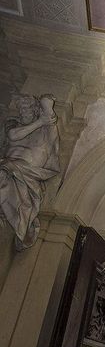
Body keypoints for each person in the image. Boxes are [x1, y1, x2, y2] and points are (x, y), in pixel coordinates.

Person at [0, 94, 59, 249]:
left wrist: (46, 104)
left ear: (35, 109)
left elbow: (49, 112)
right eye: (21, 108)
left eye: (28, 107)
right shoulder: (12, 124)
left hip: (26, 174)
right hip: (8, 167)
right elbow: (13, 135)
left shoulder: (47, 130)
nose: (23, 111)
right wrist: (40, 121)